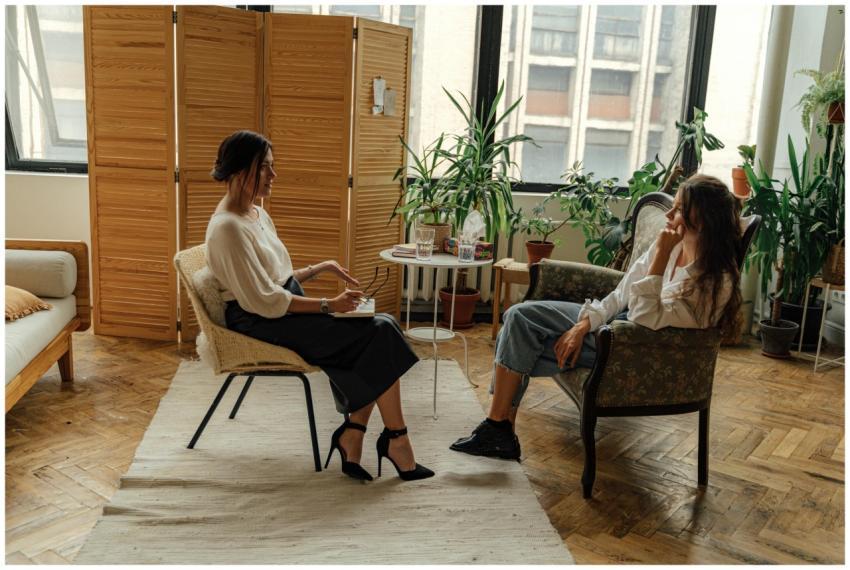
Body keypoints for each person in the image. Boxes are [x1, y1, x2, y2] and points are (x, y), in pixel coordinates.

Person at [451, 174, 743, 460]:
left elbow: (644, 317)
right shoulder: (672, 244)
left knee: (519, 333)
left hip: (635, 347)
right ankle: (500, 428)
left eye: (678, 209)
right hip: (614, 325)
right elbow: (623, 291)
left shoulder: (713, 283)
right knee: (518, 321)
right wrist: (583, 325)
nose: (668, 214)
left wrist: (660, 258)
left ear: (702, 220)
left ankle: (499, 429)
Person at [205, 130, 433, 482]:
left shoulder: (256, 214)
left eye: (272, 166)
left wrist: (320, 268)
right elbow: (264, 299)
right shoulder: (227, 228)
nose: (273, 174)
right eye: (265, 167)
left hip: (278, 308)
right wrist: (329, 304)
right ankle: (392, 441)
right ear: (238, 170)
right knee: (380, 333)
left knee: (383, 324)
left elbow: (274, 278)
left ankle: (356, 435)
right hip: (260, 321)